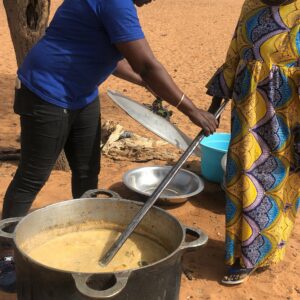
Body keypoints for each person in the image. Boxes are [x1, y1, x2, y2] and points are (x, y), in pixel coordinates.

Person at [0, 0, 218, 293]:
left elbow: (112, 55)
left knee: (88, 170)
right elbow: (147, 63)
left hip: (83, 93)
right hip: (47, 92)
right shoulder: (115, 3)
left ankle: (85, 235)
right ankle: (5, 256)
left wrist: (144, 82)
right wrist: (190, 110)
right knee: (32, 176)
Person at [207, 0, 300, 285]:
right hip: (246, 111)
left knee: (273, 183)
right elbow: (235, 52)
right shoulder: (251, 5)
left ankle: (257, 254)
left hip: (285, 115)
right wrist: (213, 107)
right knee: (241, 178)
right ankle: (240, 253)